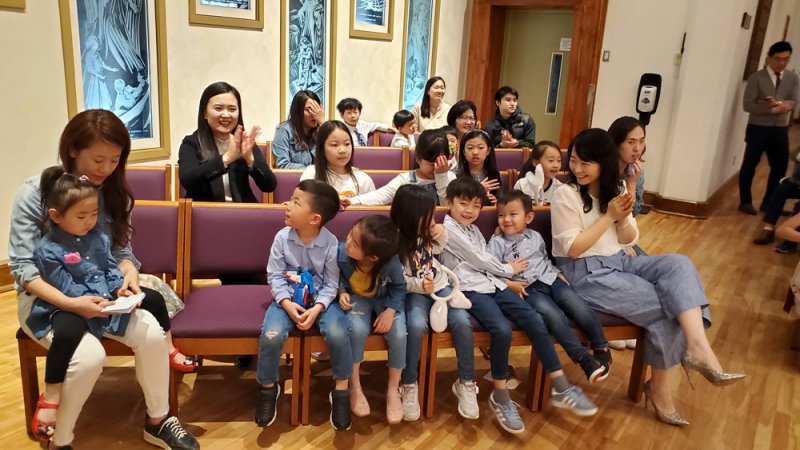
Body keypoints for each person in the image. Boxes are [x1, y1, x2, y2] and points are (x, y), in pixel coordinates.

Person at [9, 109, 199, 450]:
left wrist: (128, 274)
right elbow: (24, 271)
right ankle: (59, 440)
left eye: (114, 160)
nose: (106, 169)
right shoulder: (36, 193)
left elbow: (122, 252)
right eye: (98, 160)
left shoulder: (112, 194)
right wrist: (72, 303)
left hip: (101, 292)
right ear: (72, 150)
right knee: (89, 357)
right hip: (48, 301)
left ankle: (159, 420)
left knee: (152, 333)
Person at [551, 128, 746, 426]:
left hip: (620, 260)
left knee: (679, 264)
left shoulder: (616, 189)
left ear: (603, 163)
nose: (577, 168)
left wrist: (621, 218)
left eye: (586, 162)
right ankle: (660, 390)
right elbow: (573, 249)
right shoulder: (566, 195)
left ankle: (699, 347)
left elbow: (629, 239)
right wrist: (608, 217)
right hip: (586, 273)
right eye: (574, 160)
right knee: (669, 309)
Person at [440, 178, 599, 434]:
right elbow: (478, 259)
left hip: (493, 283)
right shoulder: (448, 229)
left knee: (535, 319)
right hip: (471, 289)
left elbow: (485, 261)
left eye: (476, 205)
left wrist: (504, 280)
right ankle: (500, 396)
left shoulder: (474, 230)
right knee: (502, 330)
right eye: (463, 204)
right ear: (449, 202)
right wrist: (508, 270)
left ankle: (561, 386)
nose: (470, 210)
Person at [254, 180, 354, 430]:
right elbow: (274, 275)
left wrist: (318, 307)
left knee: (338, 333)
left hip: (320, 300)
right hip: (287, 298)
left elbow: (331, 283)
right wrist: (287, 304)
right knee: (271, 335)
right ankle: (268, 387)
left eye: (296, 202)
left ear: (314, 219)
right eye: (291, 199)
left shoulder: (330, 243)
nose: (287, 205)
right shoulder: (282, 238)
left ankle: (341, 390)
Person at [488, 190, 611, 382]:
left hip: (551, 278)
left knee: (577, 305)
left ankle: (601, 346)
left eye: (513, 214)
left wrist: (557, 272)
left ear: (528, 217)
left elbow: (544, 259)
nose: (506, 220)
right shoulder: (497, 243)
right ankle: (583, 358)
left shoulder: (535, 236)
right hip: (528, 288)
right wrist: (508, 283)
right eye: (501, 215)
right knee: (553, 316)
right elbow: (489, 271)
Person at [391, 185, 478, 422]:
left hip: (440, 285)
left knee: (462, 321)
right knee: (416, 325)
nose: (432, 220)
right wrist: (419, 286)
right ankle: (409, 382)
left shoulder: (427, 233)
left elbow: (437, 248)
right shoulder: (395, 241)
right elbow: (398, 279)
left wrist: (441, 233)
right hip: (415, 292)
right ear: (410, 215)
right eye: (427, 216)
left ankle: (466, 382)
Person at [179, 81, 276, 287]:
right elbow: (188, 179)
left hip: (242, 222)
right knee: (244, 273)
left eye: (232, 109)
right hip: (207, 225)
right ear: (204, 113)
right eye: (218, 108)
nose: (226, 115)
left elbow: (269, 185)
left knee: (250, 265)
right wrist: (226, 158)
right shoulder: (191, 143)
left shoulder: (245, 142)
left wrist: (250, 160)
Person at [337, 216, 408, 423]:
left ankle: (393, 389)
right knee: (357, 330)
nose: (347, 242)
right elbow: (336, 276)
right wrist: (342, 292)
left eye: (355, 243)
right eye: (350, 235)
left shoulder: (390, 262)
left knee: (399, 334)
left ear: (374, 257)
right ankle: (355, 385)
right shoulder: (342, 253)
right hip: (358, 299)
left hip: (385, 300)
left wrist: (390, 310)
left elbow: (399, 287)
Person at [739, 41, 800, 215]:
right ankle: (745, 201)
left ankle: (769, 204)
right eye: (778, 59)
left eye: (786, 59)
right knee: (750, 164)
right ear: (769, 58)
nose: (782, 63)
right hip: (758, 127)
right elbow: (748, 105)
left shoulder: (792, 78)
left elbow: (794, 100)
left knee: (780, 166)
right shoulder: (757, 78)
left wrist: (787, 105)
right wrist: (772, 109)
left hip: (780, 128)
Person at [342, 130, 456, 206]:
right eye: (431, 163)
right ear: (418, 158)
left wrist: (442, 177)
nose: (437, 168)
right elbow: (382, 195)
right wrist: (353, 201)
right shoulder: (407, 179)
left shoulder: (450, 177)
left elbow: (446, 207)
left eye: (442, 162)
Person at [300, 120, 376, 199]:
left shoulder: (363, 179)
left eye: (347, 144)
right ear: (322, 148)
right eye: (334, 145)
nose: (342, 150)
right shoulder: (311, 173)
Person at [753, 146, 800, 245]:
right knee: (780, 190)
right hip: (797, 183)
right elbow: (793, 155)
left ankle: (792, 237)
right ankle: (769, 228)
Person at [273, 90, 325, 168]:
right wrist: (310, 171)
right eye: (309, 109)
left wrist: (323, 123)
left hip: (318, 175)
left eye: (316, 109)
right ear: (298, 111)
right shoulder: (284, 131)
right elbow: (282, 165)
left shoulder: (320, 131)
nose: (314, 114)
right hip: (297, 175)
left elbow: (332, 162)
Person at [456, 129, 502, 205]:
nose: (475, 152)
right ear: (464, 151)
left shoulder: (494, 175)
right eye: (470, 148)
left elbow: (502, 201)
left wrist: (496, 204)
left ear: (488, 151)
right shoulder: (455, 175)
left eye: (480, 148)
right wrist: (479, 189)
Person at [515, 140, 564, 205]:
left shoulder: (560, 188)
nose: (556, 165)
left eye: (559, 161)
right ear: (535, 162)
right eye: (551, 160)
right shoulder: (522, 185)